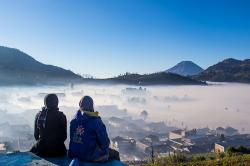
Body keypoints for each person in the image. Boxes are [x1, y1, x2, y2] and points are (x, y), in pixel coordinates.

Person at [68, 96, 120, 162]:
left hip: (73, 154)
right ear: (92, 106)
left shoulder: (73, 121)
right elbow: (105, 143)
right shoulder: (96, 121)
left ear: (80, 105)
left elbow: (72, 139)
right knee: (115, 154)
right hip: (89, 156)